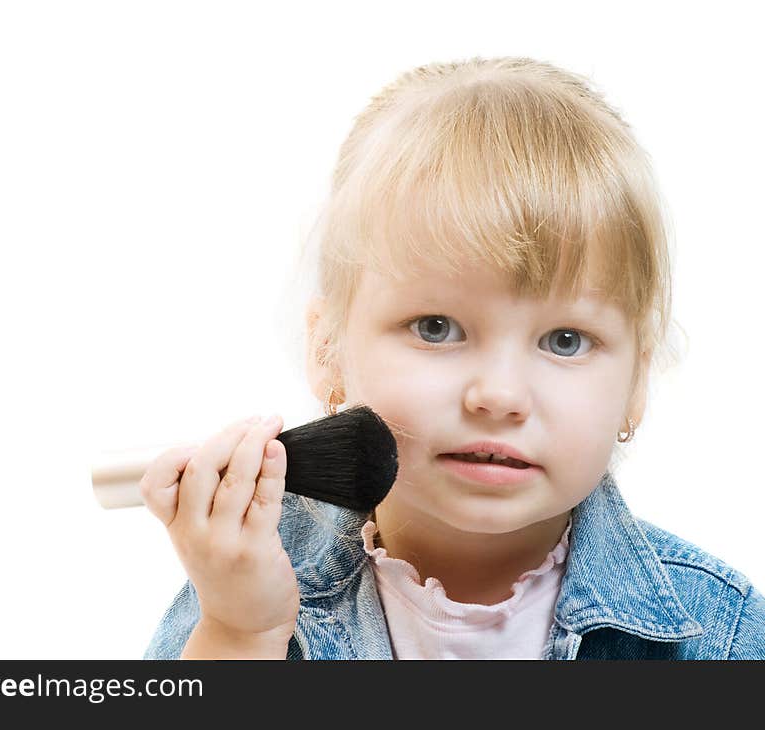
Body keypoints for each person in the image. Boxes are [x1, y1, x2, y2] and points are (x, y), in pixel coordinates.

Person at [140, 56, 765, 660]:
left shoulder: (717, 632)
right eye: (437, 328)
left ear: (635, 384)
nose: (499, 394)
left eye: (564, 341)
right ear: (327, 348)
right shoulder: (242, 595)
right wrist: (241, 636)